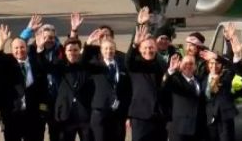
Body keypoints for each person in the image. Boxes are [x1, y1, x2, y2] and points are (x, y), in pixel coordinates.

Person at [0, 24, 49, 141]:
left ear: (27, 48)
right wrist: (1, 43)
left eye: (22, 47)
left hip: (34, 118)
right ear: (11, 50)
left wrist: (42, 113)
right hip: (12, 117)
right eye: (16, 48)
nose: (19, 50)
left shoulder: (36, 63)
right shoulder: (7, 64)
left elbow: (44, 89)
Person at [127, 13, 168, 141]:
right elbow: (129, 59)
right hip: (141, 117)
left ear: (156, 48)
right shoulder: (136, 65)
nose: (148, 50)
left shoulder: (161, 64)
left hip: (160, 116)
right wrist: (140, 25)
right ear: (139, 50)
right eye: (145, 48)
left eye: (151, 47)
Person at [89, 37, 131, 141]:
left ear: (115, 50)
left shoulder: (122, 66)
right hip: (100, 113)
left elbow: (128, 90)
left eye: (111, 48)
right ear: (101, 51)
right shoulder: (95, 66)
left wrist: (127, 113)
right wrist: (88, 44)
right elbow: (83, 60)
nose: (109, 51)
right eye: (106, 48)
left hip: (118, 113)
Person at [163, 54, 208, 141]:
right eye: (185, 63)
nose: (188, 66)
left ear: (195, 66)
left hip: (197, 128)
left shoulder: (199, 80)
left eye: (191, 63)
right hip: (179, 128)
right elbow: (165, 84)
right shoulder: (175, 79)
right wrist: (171, 70)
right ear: (180, 65)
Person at [200, 51, 237, 141]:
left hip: (224, 119)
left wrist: (217, 56)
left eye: (217, 63)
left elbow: (232, 67)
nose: (214, 66)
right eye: (211, 63)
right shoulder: (203, 79)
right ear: (208, 64)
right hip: (209, 120)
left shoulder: (225, 76)